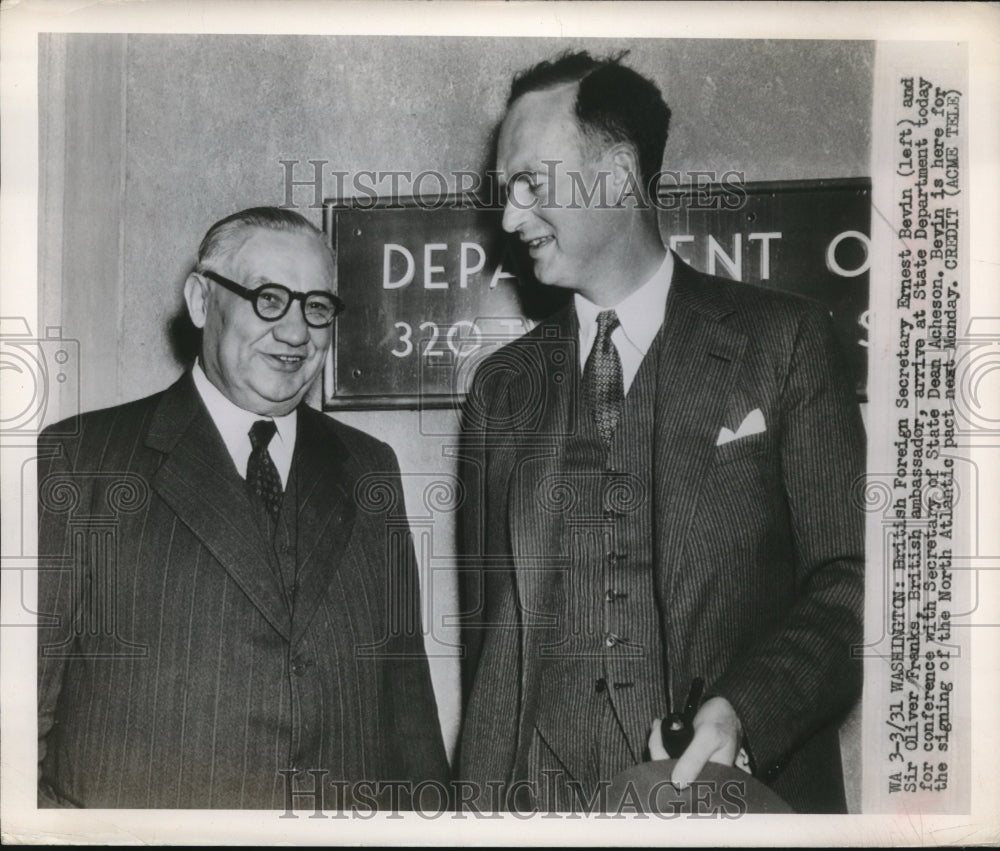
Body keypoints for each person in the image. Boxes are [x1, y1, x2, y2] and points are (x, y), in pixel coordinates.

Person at [457, 52, 865, 813]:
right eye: (504, 192)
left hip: (732, 805)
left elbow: (852, 583)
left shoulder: (786, 342)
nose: (510, 218)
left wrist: (747, 707)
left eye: (529, 185)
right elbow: (489, 642)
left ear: (617, 174)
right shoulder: (498, 388)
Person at [37, 206, 449, 808]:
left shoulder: (369, 468)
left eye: (316, 307)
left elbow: (408, 711)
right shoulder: (81, 460)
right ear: (203, 301)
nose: (295, 333)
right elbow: (19, 723)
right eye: (268, 299)